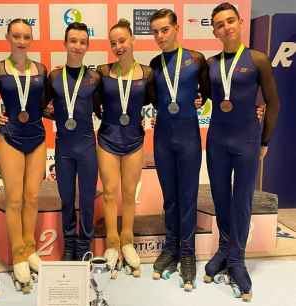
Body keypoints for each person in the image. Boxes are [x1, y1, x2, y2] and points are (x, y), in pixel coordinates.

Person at [204, 2, 279, 301]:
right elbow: (202, 97)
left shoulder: (258, 59)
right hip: (217, 141)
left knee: (242, 200)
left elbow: (273, 102)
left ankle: (237, 258)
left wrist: (264, 141)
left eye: (230, 21)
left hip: (247, 141)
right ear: (214, 30)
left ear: (240, 22)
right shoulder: (209, 64)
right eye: (220, 24)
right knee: (221, 198)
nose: (226, 28)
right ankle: (224, 250)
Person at [148, 8, 210, 291]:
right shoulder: (153, 64)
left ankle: (188, 253)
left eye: (165, 30)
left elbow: (208, 92)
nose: (160, 36)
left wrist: (199, 100)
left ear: (176, 29)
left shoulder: (196, 60)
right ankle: (171, 248)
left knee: (187, 196)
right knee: (170, 198)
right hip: (162, 137)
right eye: (155, 32)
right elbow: (151, 97)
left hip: (188, 137)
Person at [0, 18, 48, 293]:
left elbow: (45, 105)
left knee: (32, 197)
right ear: (8, 37)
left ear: (31, 38)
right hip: (10, 138)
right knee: (14, 200)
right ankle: (18, 255)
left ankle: (30, 247)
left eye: (26, 36)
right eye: (16, 36)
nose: (21, 41)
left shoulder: (41, 69)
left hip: (36, 138)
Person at [96, 19, 156, 277]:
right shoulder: (101, 71)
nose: (118, 46)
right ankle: (112, 244)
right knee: (110, 193)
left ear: (132, 40)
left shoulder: (147, 73)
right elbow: (85, 98)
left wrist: (196, 100)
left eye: (122, 41)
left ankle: (128, 242)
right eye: (113, 43)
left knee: (129, 194)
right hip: (108, 139)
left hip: (134, 140)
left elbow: (161, 100)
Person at [48, 22, 101, 261]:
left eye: (82, 42)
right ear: (65, 43)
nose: (77, 46)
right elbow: (38, 107)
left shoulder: (94, 78)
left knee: (87, 198)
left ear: (87, 46)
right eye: (73, 41)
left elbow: (102, 110)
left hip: (88, 145)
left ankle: (84, 245)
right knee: (67, 198)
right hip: (64, 147)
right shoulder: (54, 76)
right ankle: (69, 244)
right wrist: (7, 115)